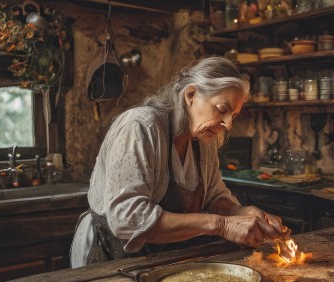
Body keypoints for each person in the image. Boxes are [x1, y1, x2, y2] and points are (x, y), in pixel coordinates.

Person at [70, 56, 286, 268]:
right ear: (191, 94)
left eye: (234, 115)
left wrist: (239, 212)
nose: (228, 124)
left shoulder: (204, 140)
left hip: (156, 259)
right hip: (109, 255)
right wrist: (222, 225)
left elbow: (214, 196)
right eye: (222, 109)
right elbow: (128, 218)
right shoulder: (140, 126)